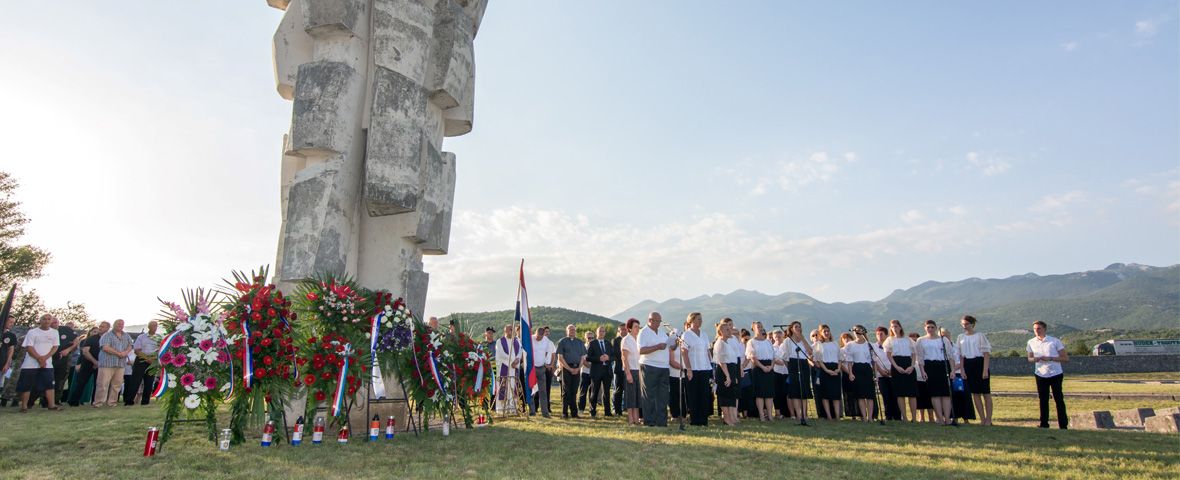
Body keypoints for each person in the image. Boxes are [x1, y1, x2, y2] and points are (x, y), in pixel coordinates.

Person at [1026, 320, 1068, 429]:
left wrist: (1050, 358)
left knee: (1058, 398)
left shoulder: (1054, 341)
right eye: (1035, 329)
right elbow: (1029, 358)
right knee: (1043, 399)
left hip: (1055, 373)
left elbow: (1065, 358)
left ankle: (1063, 425)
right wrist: (1034, 359)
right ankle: (1044, 424)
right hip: (1040, 373)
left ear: (1044, 329)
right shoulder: (1031, 342)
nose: (1036, 331)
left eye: (1038, 328)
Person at [17, 314, 61, 412]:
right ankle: (24, 407)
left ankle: (51, 405)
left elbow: (55, 347)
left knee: (49, 385)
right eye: (44, 319)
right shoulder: (32, 332)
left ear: (51, 321)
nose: (46, 321)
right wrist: (39, 359)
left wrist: (45, 358)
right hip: (30, 364)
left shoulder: (55, 332)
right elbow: (29, 347)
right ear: (40, 320)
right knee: (27, 385)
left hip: (47, 364)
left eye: (49, 319)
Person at [637, 312, 672, 427]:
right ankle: (650, 422)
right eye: (657, 321)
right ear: (650, 320)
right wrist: (657, 347)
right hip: (649, 366)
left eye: (660, 321)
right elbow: (641, 350)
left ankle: (662, 422)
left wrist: (674, 343)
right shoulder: (643, 332)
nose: (659, 323)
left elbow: (668, 347)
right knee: (649, 396)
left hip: (664, 367)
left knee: (663, 396)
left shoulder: (662, 332)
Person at [916, 320, 954, 425]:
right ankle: (939, 418)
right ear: (925, 328)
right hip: (929, 367)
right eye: (928, 327)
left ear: (936, 328)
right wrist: (923, 371)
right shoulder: (920, 340)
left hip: (943, 366)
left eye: (932, 327)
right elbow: (920, 358)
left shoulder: (944, 340)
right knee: (935, 394)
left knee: (946, 394)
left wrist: (953, 370)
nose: (930, 329)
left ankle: (947, 418)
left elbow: (951, 356)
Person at [958, 315, 993, 426]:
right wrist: (962, 370)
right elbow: (961, 356)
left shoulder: (980, 336)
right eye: (963, 324)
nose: (965, 326)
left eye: (967, 324)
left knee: (986, 393)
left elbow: (986, 354)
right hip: (968, 365)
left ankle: (988, 419)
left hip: (980, 363)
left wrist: (985, 370)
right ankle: (982, 419)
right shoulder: (960, 337)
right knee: (975, 393)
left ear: (972, 324)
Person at [680, 312, 712, 427]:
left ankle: (703, 420)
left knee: (704, 394)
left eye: (701, 319)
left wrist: (711, 365)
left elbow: (707, 351)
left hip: (704, 368)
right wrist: (688, 369)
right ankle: (695, 420)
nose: (700, 321)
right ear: (691, 320)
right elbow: (684, 353)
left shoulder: (704, 334)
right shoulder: (686, 335)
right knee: (693, 395)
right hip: (692, 369)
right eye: (698, 319)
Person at [883, 320, 917, 421]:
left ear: (900, 327)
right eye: (892, 327)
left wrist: (912, 366)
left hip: (908, 363)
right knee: (900, 393)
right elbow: (889, 355)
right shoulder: (889, 340)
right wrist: (896, 367)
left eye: (896, 326)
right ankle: (905, 417)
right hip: (896, 364)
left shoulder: (908, 339)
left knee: (912, 393)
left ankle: (914, 418)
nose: (894, 328)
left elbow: (914, 354)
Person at [68, 321, 108, 406]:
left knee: (99, 384)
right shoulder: (91, 338)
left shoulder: (108, 339)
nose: (100, 328)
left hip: (102, 364)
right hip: (87, 363)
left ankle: (95, 401)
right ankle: (73, 401)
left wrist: (99, 363)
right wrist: (94, 362)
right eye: (100, 326)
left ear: (108, 328)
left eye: (103, 327)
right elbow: (85, 352)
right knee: (81, 382)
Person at [95, 319, 132, 408]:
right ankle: (99, 403)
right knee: (103, 384)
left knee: (117, 384)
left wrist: (125, 352)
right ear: (114, 325)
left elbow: (130, 346)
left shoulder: (126, 336)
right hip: (107, 363)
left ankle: (112, 402)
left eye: (122, 324)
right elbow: (105, 347)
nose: (120, 325)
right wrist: (118, 353)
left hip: (120, 364)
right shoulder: (107, 335)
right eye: (118, 324)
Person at [842, 326, 875, 423]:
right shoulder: (850, 345)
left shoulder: (869, 344)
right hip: (856, 368)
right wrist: (850, 373)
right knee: (860, 395)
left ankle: (870, 417)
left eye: (858, 330)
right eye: (855, 330)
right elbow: (849, 361)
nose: (856, 332)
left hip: (867, 369)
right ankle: (864, 417)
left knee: (869, 395)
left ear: (863, 332)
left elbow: (874, 360)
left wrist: (874, 373)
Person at [782, 321, 813, 422]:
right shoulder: (788, 341)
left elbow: (810, 352)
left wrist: (803, 338)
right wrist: (789, 367)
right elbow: (784, 356)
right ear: (791, 329)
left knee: (803, 389)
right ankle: (798, 415)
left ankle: (805, 414)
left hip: (804, 363)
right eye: (796, 327)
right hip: (793, 364)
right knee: (795, 391)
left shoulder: (804, 339)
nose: (798, 328)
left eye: (799, 327)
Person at [942, 327, 975, 423]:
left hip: (958, 374)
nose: (944, 338)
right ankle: (953, 417)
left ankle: (966, 418)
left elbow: (962, 360)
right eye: (942, 336)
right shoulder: (941, 348)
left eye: (945, 335)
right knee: (951, 397)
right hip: (947, 375)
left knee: (962, 396)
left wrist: (953, 369)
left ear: (949, 335)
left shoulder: (956, 346)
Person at [745, 322, 776, 422]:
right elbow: (752, 357)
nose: (760, 328)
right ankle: (762, 416)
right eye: (758, 327)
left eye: (761, 326)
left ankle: (770, 415)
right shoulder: (751, 342)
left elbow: (773, 356)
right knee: (760, 393)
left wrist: (771, 366)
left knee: (769, 393)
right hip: (758, 368)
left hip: (769, 367)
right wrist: (763, 367)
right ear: (753, 328)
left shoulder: (768, 341)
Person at [556, 324, 587, 419]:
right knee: (566, 391)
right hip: (566, 368)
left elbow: (583, 357)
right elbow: (560, 357)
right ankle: (564, 413)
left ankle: (574, 413)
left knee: (574, 391)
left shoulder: (580, 342)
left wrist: (578, 368)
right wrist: (569, 369)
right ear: (567, 331)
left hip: (577, 368)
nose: (572, 331)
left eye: (573, 330)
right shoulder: (562, 342)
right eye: (570, 330)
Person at [125, 321, 159, 406]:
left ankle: (145, 401)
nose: (154, 327)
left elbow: (159, 350)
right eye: (153, 326)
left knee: (149, 381)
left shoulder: (159, 338)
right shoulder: (141, 337)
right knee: (135, 381)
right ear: (149, 327)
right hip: (141, 360)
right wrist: (146, 358)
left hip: (153, 361)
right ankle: (129, 401)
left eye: (156, 326)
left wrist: (153, 359)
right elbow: (137, 350)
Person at [712, 321, 739, 425]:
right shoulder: (720, 343)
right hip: (724, 371)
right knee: (724, 395)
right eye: (726, 330)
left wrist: (733, 375)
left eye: (729, 329)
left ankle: (732, 418)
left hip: (731, 370)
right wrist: (728, 376)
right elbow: (721, 361)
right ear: (720, 332)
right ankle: (727, 419)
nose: (729, 331)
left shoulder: (727, 342)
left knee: (731, 395)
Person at [814, 324, 843, 420]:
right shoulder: (819, 344)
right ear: (821, 333)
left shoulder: (835, 343)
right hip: (825, 368)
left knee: (836, 393)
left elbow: (840, 358)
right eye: (824, 331)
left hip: (835, 368)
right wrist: (826, 370)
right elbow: (818, 359)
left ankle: (837, 415)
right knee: (825, 394)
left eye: (828, 331)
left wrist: (838, 369)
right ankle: (829, 416)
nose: (826, 333)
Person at [494, 324, 524, 414]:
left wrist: (517, 360)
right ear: (505, 331)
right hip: (505, 367)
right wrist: (512, 362)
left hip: (514, 369)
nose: (513, 331)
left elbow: (520, 352)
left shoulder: (517, 341)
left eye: (513, 329)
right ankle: (502, 409)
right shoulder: (500, 341)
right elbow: (501, 355)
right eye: (510, 329)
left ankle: (512, 408)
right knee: (504, 388)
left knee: (513, 388)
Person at [871, 326, 899, 421]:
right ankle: (888, 416)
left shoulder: (892, 345)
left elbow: (895, 358)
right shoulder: (873, 347)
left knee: (895, 395)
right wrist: (881, 371)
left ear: (886, 335)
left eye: (881, 334)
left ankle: (897, 416)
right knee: (886, 396)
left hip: (893, 373)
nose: (879, 336)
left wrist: (892, 370)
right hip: (881, 375)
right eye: (878, 334)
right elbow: (874, 361)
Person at [49, 318, 78, 404]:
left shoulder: (66, 330)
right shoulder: (47, 332)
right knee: (48, 378)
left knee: (61, 379)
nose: (55, 324)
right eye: (53, 323)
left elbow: (76, 341)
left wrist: (68, 350)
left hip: (63, 358)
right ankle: (45, 400)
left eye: (56, 322)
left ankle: (56, 399)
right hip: (49, 358)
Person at [586, 326, 613, 417]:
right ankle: (592, 411)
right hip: (596, 371)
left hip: (607, 371)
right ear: (596, 332)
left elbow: (614, 356)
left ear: (605, 333)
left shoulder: (608, 343)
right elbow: (588, 357)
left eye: (603, 331)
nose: (601, 333)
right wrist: (599, 358)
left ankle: (607, 412)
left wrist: (609, 358)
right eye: (600, 331)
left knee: (606, 392)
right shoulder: (592, 343)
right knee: (594, 391)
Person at [620, 319, 641, 425]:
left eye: (638, 326)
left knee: (637, 396)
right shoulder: (626, 340)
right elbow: (624, 358)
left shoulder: (638, 339)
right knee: (630, 395)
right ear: (629, 328)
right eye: (636, 326)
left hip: (639, 371)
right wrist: (628, 373)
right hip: (631, 370)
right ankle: (631, 419)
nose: (638, 328)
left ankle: (637, 419)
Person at [531, 326, 555, 417]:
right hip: (532, 368)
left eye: (540, 337)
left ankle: (545, 412)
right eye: (537, 336)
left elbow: (548, 353)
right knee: (532, 391)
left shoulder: (547, 341)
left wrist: (546, 364)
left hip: (541, 368)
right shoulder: (530, 338)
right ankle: (532, 411)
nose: (538, 338)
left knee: (543, 391)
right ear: (535, 333)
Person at [910, 331, 933, 422]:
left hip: (926, 376)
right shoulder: (909, 351)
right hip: (916, 378)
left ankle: (931, 416)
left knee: (929, 397)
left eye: (915, 340)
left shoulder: (923, 349)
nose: (914, 341)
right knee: (919, 398)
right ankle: (921, 416)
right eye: (912, 340)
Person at [668, 322, 685, 423]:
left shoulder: (683, 346)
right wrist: (682, 368)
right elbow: (671, 361)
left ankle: (683, 414)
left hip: (683, 374)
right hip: (674, 374)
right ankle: (674, 414)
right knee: (674, 395)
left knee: (683, 395)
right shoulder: (671, 348)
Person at [770, 329, 789, 418]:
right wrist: (777, 361)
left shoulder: (786, 346)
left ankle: (787, 412)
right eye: (776, 336)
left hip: (786, 372)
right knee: (777, 393)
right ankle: (778, 412)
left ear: (783, 336)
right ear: (773, 337)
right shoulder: (772, 347)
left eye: (779, 336)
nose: (778, 338)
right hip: (776, 372)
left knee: (786, 392)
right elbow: (773, 358)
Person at [576, 330, 593, 414]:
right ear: (585, 338)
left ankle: (592, 409)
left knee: (592, 392)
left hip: (593, 373)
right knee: (583, 391)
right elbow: (582, 359)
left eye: (592, 338)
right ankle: (581, 409)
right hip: (585, 372)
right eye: (589, 337)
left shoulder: (595, 347)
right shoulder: (583, 347)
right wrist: (591, 366)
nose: (590, 339)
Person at [610, 323, 626, 415]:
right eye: (622, 329)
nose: (624, 331)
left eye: (625, 329)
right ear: (619, 331)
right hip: (619, 368)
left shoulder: (630, 339)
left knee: (627, 390)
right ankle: (617, 409)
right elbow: (616, 354)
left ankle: (626, 407)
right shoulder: (615, 341)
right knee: (618, 390)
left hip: (629, 368)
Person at [0, 316, 16, 391]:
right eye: (10, 322)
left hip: (2, 363)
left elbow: (11, 350)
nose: (12, 324)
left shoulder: (11, 335)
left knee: (1, 383)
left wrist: (7, 364)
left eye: (13, 322)